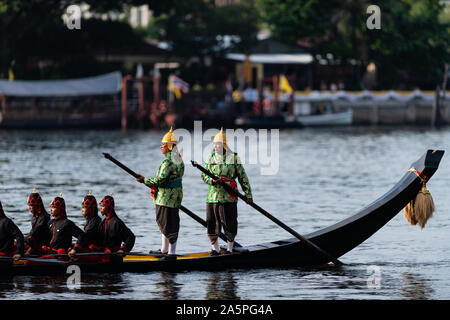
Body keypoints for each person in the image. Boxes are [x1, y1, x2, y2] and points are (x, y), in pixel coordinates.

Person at [202, 128, 252, 255]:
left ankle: (230, 249)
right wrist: (212, 181)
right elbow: (204, 176)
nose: (215, 147)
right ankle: (215, 249)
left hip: (229, 196)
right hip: (213, 196)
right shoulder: (210, 158)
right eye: (214, 144)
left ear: (224, 145)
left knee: (229, 221)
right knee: (211, 222)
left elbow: (243, 177)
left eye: (218, 144)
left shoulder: (234, 158)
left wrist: (248, 195)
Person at [136, 127, 184, 259]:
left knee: (167, 223)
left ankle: (171, 253)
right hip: (174, 196)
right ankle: (165, 250)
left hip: (166, 198)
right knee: (167, 223)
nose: (161, 147)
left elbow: (160, 180)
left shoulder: (168, 161)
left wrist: (144, 180)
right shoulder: (178, 158)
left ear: (169, 146)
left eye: (163, 145)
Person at [68, 191, 102, 258]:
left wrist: (75, 248)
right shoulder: (90, 221)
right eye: (82, 207)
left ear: (91, 208)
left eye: (84, 207)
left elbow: (85, 237)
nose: (82, 210)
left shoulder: (95, 221)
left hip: (95, 252)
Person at [24, 189, 51, 256]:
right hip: (34, 242)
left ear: (37, 206)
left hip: (43, 245)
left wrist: (29, 251)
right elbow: (32, 233)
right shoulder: (33, 218)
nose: (29, 208)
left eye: (31, 206)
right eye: (29, 206)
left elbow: (38, 236)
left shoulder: (45, 217)